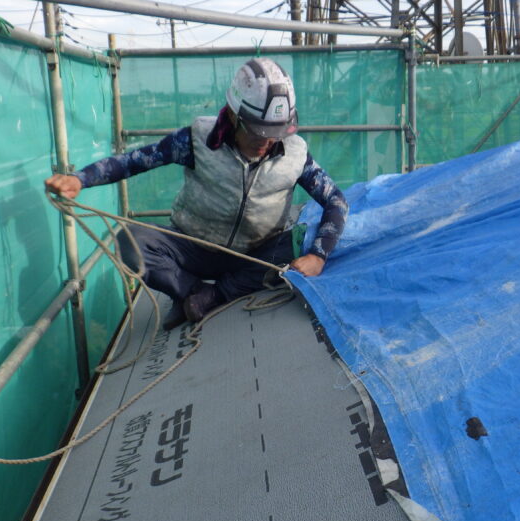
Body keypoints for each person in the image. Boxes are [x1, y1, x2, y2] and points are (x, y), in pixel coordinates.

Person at [45, 57, 348, 330]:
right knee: (130, 242)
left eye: (275, 133)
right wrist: (80, 179)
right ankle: (191, 291)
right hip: (194, 249)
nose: (266, 142)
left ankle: (213, 295)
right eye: (257, 131)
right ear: (233, 115)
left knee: (299, 243)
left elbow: (335, 200)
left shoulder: (296, 154)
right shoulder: (196, 140)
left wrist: (318, 256)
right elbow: (133, 161)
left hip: (257, 255)